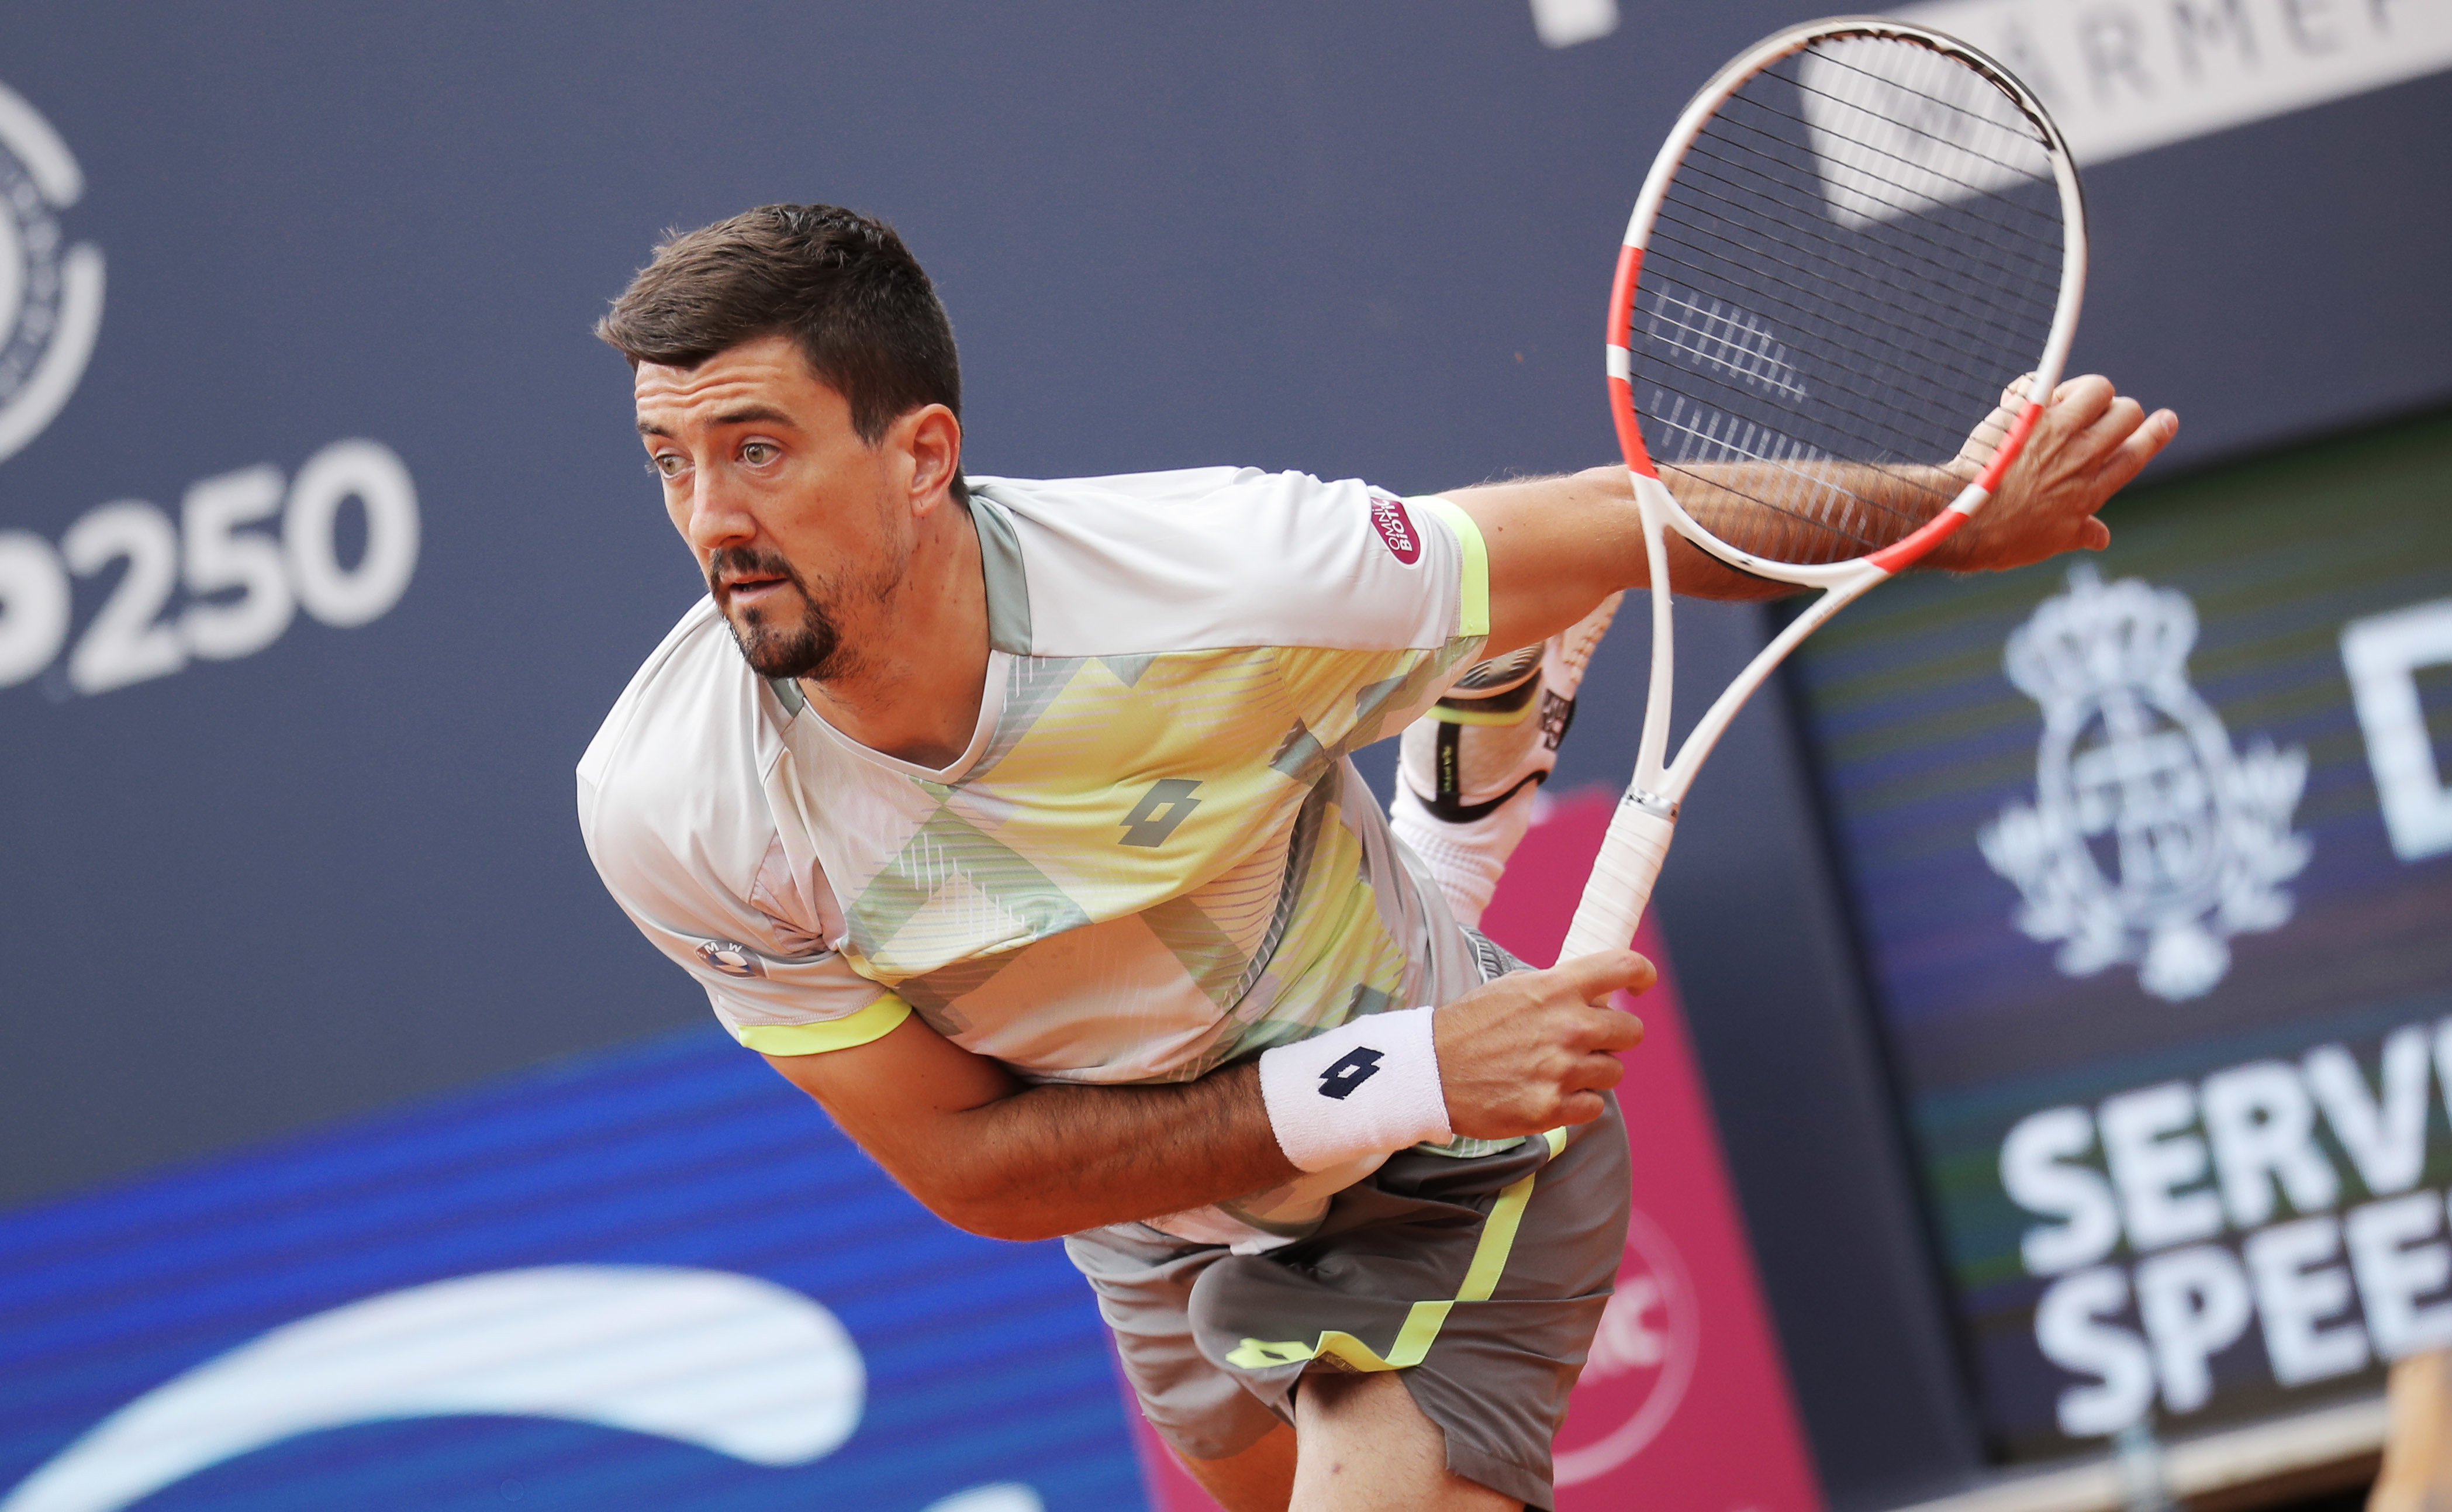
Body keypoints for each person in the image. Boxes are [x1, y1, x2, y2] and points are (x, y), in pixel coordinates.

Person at [577, 204, 2175, 1511]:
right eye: (670, 462)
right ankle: (1460, 807)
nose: (710, 516)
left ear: (922, 453)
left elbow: (1617, 519)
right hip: (1154, 1206)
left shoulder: (1218, 579)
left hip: (1448, 1162)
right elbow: (975, 1171)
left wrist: (1948, 513)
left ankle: (1464, 753)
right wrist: (1398, 1066)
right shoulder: (677, 804)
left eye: (757, 449)